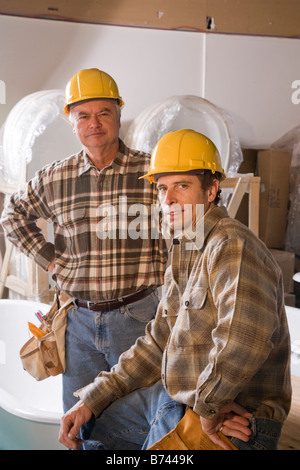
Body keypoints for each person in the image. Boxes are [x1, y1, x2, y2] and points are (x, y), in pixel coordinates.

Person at [58, 129, 292, 451]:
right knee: (91, 427)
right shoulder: (186, 245)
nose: (168, 200)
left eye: (182, 186)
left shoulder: (232, 246)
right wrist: (93, 396)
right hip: (178, 399)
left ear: (211, 190)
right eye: (162, 188)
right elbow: (159, 340)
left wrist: (208, 406)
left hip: (231, 417)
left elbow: (243, 340)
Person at [0, 68, 167, 441]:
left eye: (104, 113)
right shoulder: (55, 178)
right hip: (78, 326)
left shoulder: (152, 173)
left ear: (119, 114)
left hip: (138, 319)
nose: (95, 123)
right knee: (82, 426)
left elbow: (187, 233)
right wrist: (50, 259)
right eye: (83, 116)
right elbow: (12, 216)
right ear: (71, 122)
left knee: (145, 424)